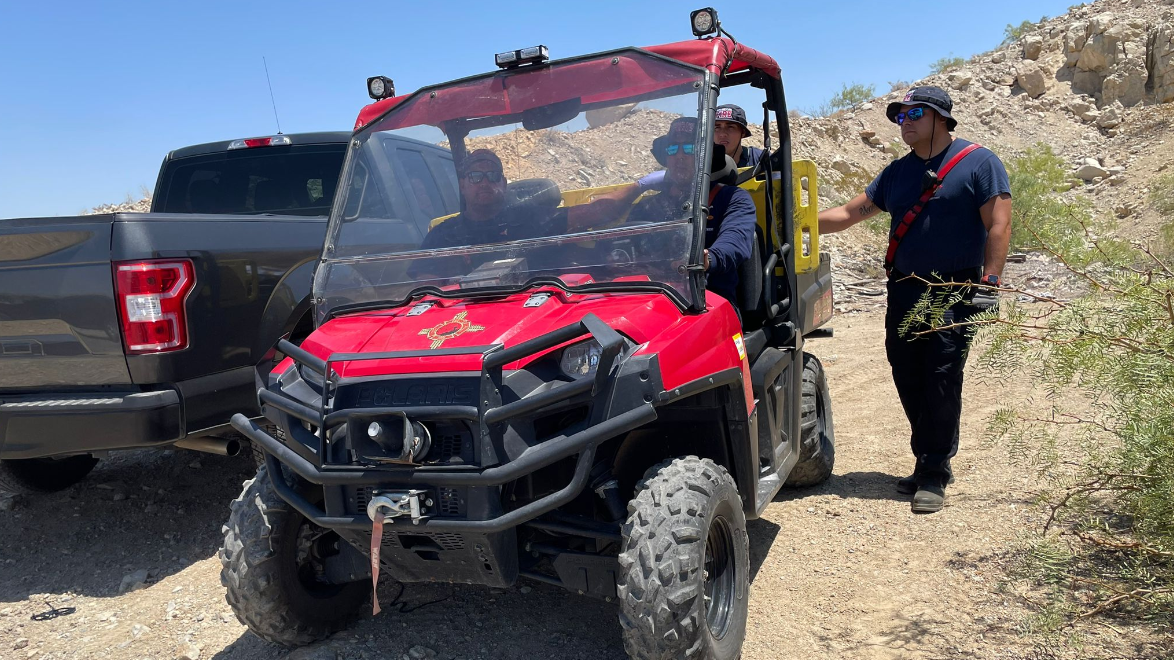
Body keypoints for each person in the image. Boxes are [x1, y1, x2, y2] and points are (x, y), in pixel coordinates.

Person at [816, 86, 1012, 513]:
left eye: (915, 113)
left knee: (941, 374)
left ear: (941, 117)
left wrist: (990, 282)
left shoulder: (980, 162)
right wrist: (796, 225)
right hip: (904, 286)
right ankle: (929, 456)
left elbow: (998, 224)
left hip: (953, 289)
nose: (905, 122)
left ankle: (934, 471)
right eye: (900, 115)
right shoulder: (897, 173)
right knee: (906, 370)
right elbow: (851, 213)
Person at [628, 116, 757, 308]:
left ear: (706, 155)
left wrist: (706, 259)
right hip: (648, 299)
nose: (680, 155)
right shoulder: (647, 206)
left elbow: (735, 241)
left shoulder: (732, 198)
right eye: (673, 149)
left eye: (689, 148)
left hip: (708, 303)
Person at [714, 104, 763, 169]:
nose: (722, 134)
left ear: (742, 132)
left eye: (730, 127)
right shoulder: (701, 163)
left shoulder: (760, 159)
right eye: (717, 127)